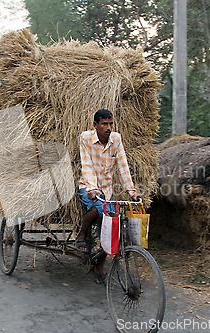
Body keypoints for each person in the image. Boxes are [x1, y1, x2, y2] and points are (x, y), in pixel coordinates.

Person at [77, 108, 141, 283]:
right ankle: (82, 234)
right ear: (95, 125)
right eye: (104, 124)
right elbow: (87, 164)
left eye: (110, 123)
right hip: (88, 186)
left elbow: (123, 166)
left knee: (114, 229)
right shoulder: (86, 138)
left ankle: (99, 267)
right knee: (98, 209)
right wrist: (91, 188)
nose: (108, 127)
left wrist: (132, 192)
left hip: (107, 190)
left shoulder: (116, 139)